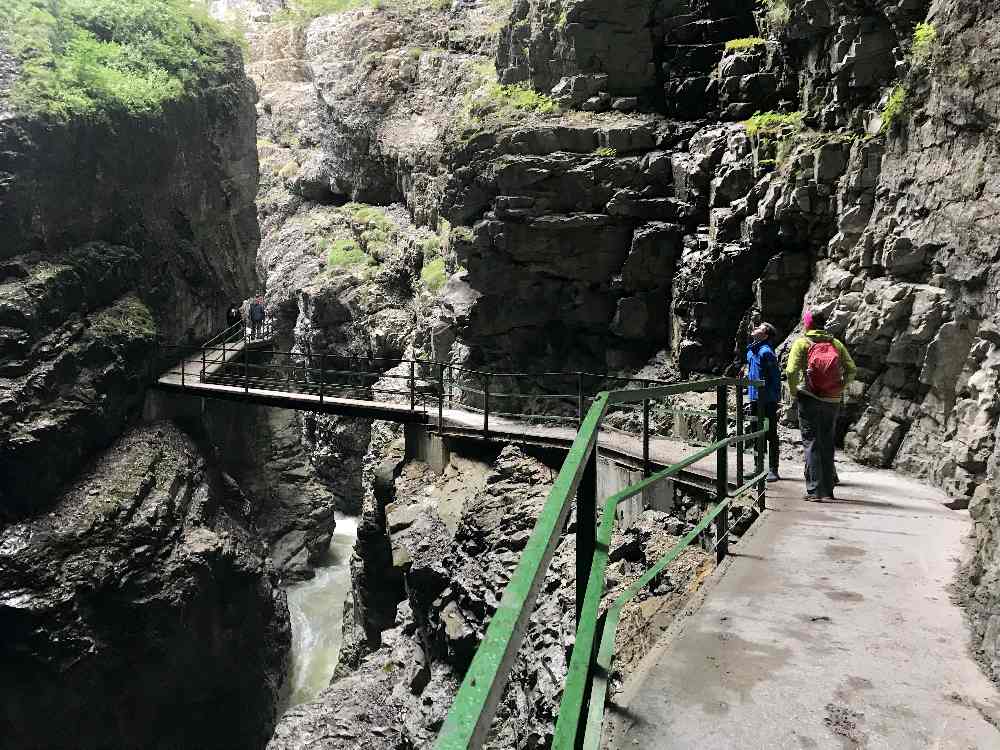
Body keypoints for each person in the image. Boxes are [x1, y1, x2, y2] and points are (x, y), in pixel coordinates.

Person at [785, 309, 856, 501]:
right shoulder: (835, 344)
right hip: (832, 400)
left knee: (811, 442)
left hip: (809, 397)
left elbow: (791, 371)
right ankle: (828, 491)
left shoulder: (802, 343)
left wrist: (794, 391)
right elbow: (852, 369)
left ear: (807, 324)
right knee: (827, 442)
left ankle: (815, 491)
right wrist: (841, 386)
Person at [746, 321, 782, 482]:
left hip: (766, 400)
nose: (755, 328)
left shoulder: (766, 352)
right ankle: (758, 467)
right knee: (756, 433)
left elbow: (775, 377)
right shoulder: (752, 351)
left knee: (770, 434)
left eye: (760, 328)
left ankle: (773, 469)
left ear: (765, 335)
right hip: (754, 398)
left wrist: (775, 398)